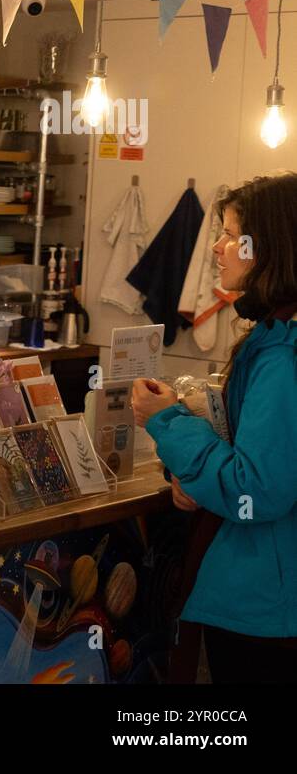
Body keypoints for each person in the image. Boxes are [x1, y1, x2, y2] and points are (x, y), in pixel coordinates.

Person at [132, 171, 297, 683]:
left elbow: (257, 488)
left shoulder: (284, 357)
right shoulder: (274, 338)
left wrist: (168, 422)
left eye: (229, 235)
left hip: (267, 603)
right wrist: (196, 479)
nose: (218, 249)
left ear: (267, 246)